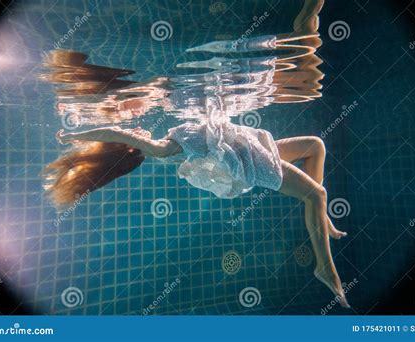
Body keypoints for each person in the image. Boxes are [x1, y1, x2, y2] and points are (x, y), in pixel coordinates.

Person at [43, 0, 351, 307]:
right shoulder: (163, 149)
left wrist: (81, 133)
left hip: (251, 146)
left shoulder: (170, 137)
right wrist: (76, 134)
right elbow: (116, 133)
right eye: (133, 136)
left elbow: (121, 133)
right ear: (132, 146)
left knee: (315, 146)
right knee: (316, 195)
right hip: (251, 160)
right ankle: (324, 267)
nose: (135, 129)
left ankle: (322, 221)